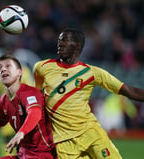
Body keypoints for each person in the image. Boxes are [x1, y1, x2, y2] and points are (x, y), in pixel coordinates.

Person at [33, 27, 144, 159]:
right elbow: (37, 97)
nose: (60, 43)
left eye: (65, 40)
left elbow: (128, 90)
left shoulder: (91, 73)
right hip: (63, 142)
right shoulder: (42, 67)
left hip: (91, 134)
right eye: (59, 40)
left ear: (77, 46)